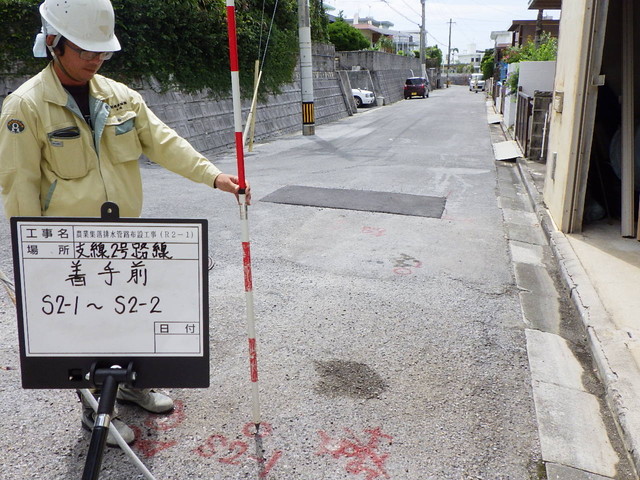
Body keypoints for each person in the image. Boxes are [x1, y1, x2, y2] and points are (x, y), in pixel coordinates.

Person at [0, 0, 250, 446]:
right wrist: (31, 262)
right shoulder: (26, 106)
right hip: (70, 247)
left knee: (132, 316)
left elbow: (163, 141)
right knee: (85, 329)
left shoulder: (119, 97)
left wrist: (214, 176)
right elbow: (19, 185)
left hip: (124, 239)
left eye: (102, 51)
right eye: (85, 50)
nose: (95, 59)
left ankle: (134, 386)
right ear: (54, 42)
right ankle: (96, 411)